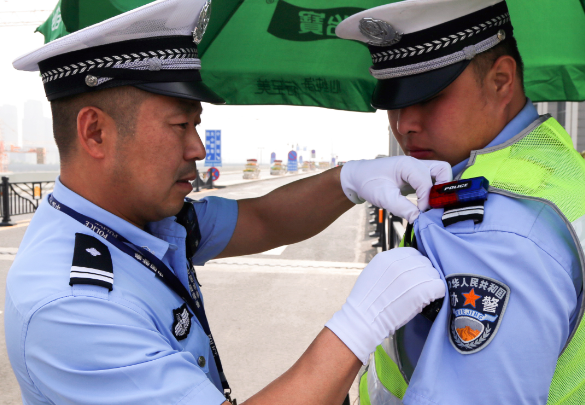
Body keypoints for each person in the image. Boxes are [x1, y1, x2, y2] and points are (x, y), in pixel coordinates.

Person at [5, 1, 454, 404]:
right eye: (180, 125)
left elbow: (263, 220)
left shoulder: (139, 222)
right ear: (95, 133)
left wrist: (350, 180)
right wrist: (355, 330)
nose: (197, 149)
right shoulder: (75, 308)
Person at [335, 0, 585, 404]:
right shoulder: (553, 160)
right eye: (394, 101)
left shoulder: (489, 230)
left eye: (428, 96)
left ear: (501, 80)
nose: (404, 124)